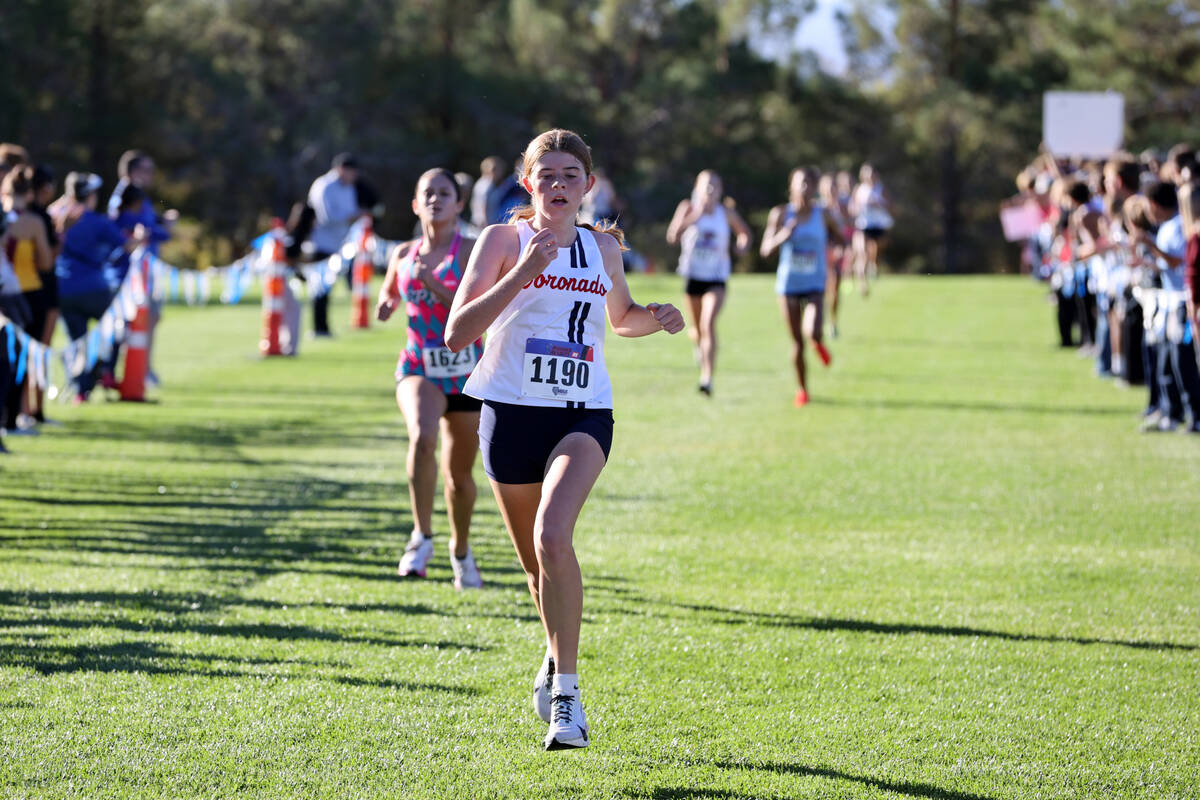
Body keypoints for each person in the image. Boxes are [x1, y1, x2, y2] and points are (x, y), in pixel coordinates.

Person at [444, 129, 684, 751]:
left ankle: (568, 698)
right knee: (535, 565)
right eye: (545, 174)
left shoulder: (603, 247)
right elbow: (457, 332)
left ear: (588, 186)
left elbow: (621, 318)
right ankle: (553, 657)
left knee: (555, 534)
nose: (557, 185)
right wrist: (523, 271)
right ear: (528, 184)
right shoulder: (502, 240)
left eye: (569, 175)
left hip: (583, 413)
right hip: (509, 412)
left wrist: (653, 318)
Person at [375, 169, 484, 589]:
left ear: (459, 204)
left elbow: (475, 306)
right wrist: (387, 304)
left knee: (459, 479)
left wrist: (431, 283)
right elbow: (390, 291)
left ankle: (461, 552)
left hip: (467, 370)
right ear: (416, 205)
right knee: (421, 438)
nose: (436, 200)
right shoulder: (402, 254)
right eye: (428, 194)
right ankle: (421, 537)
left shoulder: (474, 250)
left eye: (445, 193)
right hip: (418, 364)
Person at [55, 172, 144, 402]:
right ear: (91, 196)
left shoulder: (56, 216)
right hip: (94, 288)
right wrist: (141, 237)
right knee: (117, 326)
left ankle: (80, 391)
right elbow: (127, 245)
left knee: (77, 341)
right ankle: (104, 370)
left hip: (64, 289)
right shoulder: (98, 222)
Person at [761, 167, 844, 407]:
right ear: (792, 186)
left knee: (813, 332)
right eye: (801, 183)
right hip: (788, 284)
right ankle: (803, 390)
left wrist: (838, 250)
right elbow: (765, 250)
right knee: (797, 341)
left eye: (810, 183)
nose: (805, 188)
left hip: (815, 282)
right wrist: (784, 235)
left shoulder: (823, 214)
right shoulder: (780, 214)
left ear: (816, 188)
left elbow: (840, 238)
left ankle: (818, 342)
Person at [665, 169, 751, 395]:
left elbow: (745, 233)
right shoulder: (688, 207)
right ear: (697, 188)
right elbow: (672, 236)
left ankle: (707, 378)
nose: (711, 189)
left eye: (715, 185)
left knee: (708, 323)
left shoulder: (726, 213)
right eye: (707, 185)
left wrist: (741, 244)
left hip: (716, 278)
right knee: (697, 330)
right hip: (693, 276)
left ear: (721, 190)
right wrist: (695, 217)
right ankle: (698, 346)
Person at [1, 165, 54, 433]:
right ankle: (12, 419)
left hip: (2, 295)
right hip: (29, 293)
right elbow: (45, 262)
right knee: (21, 358)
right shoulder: (33, 222)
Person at [307, 152, 366, 336]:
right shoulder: (324, 186)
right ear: (341, 169)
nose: (354, 176)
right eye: (352, 172)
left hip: (339, 245)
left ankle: (324, 327)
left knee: (328, 287)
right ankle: (319, 328)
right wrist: (352, 216)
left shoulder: (348, 188)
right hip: (320, 243)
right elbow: (327, 217)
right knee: (319, 287)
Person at [849, 163, 893, 297]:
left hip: (879, 225)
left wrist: (879, 204)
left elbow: (891, 206)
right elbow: (852, 208)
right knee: (862, 253)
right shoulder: (859, 189)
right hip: (863, 225)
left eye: (873, 174)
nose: (870, 177)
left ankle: (874, 265)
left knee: (876, 251)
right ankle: (863, 285)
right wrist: (860, 206)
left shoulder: (881, 189)